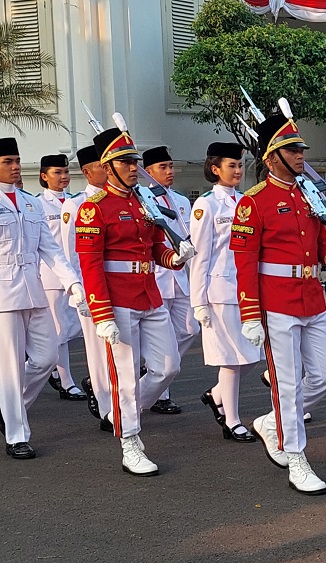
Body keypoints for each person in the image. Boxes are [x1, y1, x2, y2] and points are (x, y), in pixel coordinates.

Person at [231, 114, 326, 494]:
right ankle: (297, 456)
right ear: (272, 158)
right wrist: (250, 314)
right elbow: (244, 263)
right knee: (286, 384)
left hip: (312, 296)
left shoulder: (310, 194)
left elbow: (322, 246)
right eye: (291, 150)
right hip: (275, 302)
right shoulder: (253, 203)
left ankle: (273, 423)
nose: (300, 155)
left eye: (301, 149)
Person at [75, 127, 196, 475]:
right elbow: (90, 264)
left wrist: (175, 258)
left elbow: (155, 246)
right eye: (126, 162)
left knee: (168, 366)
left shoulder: (143, 200)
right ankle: (129, 441)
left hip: (149, 292)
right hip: (118, 298)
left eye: (135, 161)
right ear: (107, 166)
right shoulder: (93, 209)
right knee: (125, 375)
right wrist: (102, 313)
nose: (133, 167)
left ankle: (122, 412)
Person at [0, 138, 87, 459]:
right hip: (3, 294)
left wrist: (72, 283)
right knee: (9, 367)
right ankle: (16, 434)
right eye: (8, 161)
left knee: (47, 357)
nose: (15, 166)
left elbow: (50, 250)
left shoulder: (31, 203)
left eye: (17, 160)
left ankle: (10, 408)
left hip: (33, 289)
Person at [189, 142, 260, 443]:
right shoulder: (207, 205)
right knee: (231, 359)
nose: (238, 171)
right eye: (231, 165)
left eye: (240, 165)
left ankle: (216, 394)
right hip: (218, 289)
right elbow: (199, 255)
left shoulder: (247, 202)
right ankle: (232, 420)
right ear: (215, 169)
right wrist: (198, 301)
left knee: (251, 356)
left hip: (244, 289)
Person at [142, 146, 199, 415]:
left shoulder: (180, 201)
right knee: (163, 334)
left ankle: (151, 365)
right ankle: (161, 394)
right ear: (147, 171)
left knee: (189, 329)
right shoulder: (143, 200)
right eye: (163, 167)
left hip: (180, 276)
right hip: (158, 275)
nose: (170, 171)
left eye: (171, 166)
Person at [61, 146, 112, 428]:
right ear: (86, 172)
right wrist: (78, 289)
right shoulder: (76, 204)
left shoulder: (121, 200)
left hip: (118, 285)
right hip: (90, 288)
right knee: (97, 352)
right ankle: (107, 410)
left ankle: (120, 401)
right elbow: (70, 254)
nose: (107, 170)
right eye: (101, 166)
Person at [38, 153, 86, 400]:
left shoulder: (76, 202)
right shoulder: (39, 204)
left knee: (75, 328)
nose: (64, 177)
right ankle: (66, 381)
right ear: (44, 176)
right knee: (60, 330)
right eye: (57, 173)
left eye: (66, 172)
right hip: (51, 277)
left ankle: (56, 371)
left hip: (76, 273)